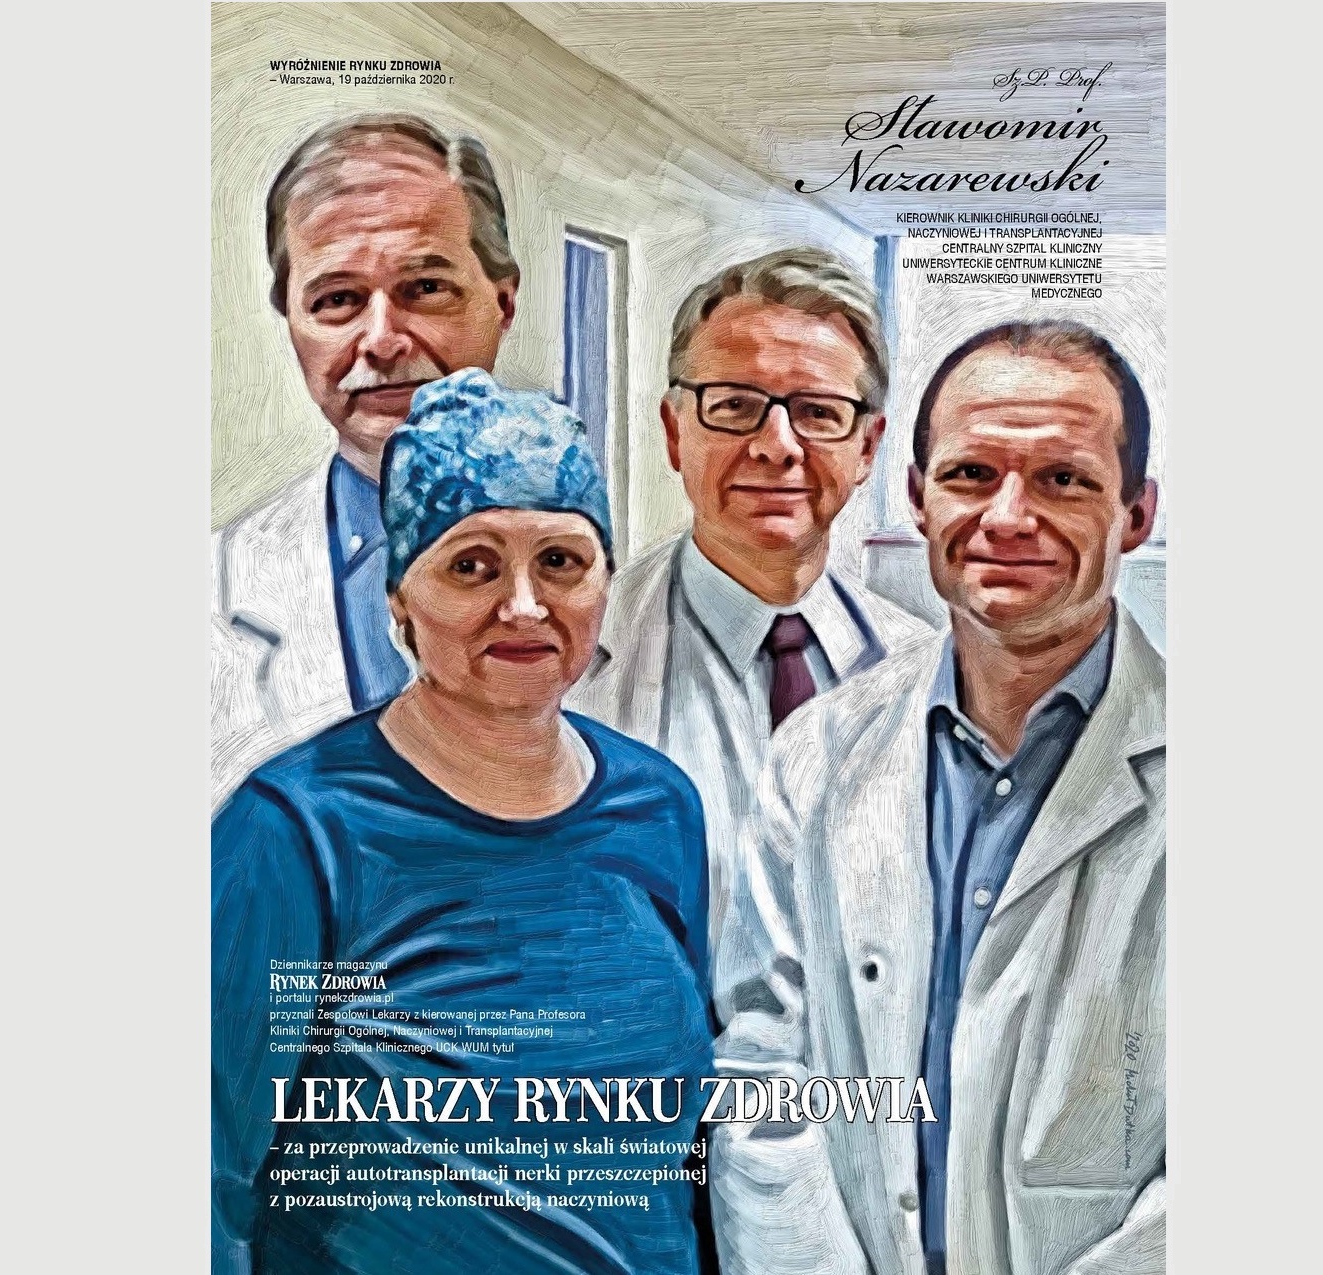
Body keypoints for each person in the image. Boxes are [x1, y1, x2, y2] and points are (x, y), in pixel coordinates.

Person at [212, 370, 716, 1275]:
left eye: (560, 562)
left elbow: (687, 1158)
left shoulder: (659, 806)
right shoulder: (295, 829)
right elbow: (209, 1184)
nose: (523, 605)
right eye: (471, 565)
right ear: (399, 599)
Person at [711, 320, 1165, 1275]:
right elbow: (762, 1073)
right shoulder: (819, 755)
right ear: (918, 497)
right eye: (970, 474)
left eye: (1063, 479)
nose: (1008, 516)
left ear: (1135, 513)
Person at [567, 246, 929, 944]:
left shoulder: (923, 667)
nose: (776, 446)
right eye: (734, 405)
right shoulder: (568, 662)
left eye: (817, 411)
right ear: (674, 432)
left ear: (866, 447)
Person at [212, 113, 521, 805]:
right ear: (293, 324)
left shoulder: (628, 598)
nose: (381, 340)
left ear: (502, 303)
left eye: (425, 288)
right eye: (338, 300)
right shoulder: (208, 600)